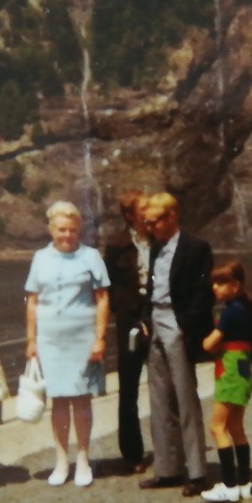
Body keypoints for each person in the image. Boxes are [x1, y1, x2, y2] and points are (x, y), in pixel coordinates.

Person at [25, 201, 111, 488]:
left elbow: (102, 299)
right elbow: (33, 301)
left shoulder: (91, 256)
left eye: (72, 230)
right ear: (51, 229)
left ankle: (84, 460)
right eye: (61, 229)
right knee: (58, 400)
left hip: (83, 338)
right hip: (50, 339)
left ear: (79, 230)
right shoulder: (40, 258)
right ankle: (62, 460)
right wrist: (31, 340)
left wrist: (100, 338)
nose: (67, 235)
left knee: (81, 398)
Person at [137, 191, 215, 497]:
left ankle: (197, 471)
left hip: (177, 325)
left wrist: (185, 326)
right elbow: (151, 288)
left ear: (172, 217)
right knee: (158, 400)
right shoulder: (156, 248)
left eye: (154, 221)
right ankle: (167, 469)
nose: (149, 227)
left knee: (185, 397)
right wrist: (145, 320)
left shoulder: (197, 248)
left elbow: (202, 293)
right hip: (155, 323)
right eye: (147, 222)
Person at [199, 261, 252, 503]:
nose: (215, 287)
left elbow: (209, 344)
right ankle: (244, 482)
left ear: (235, 286)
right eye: (214, 282)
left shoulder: (231, 312)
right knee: (235, 427)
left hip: (231, 369)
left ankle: (229, 485)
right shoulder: (245, 310)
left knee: (217, 427)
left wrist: (205, 340)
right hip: (244, 369)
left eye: (221, 283)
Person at [103, 190, 150, 474]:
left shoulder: (160, 240)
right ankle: (132, 454)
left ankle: (171, 449)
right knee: (129, 387)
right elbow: (107, 286)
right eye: (144, 208)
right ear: (130, 215)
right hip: (129, 323)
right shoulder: (117, 245)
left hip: (157, 318)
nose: (150, 212)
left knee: (164, 385)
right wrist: (125, 311)